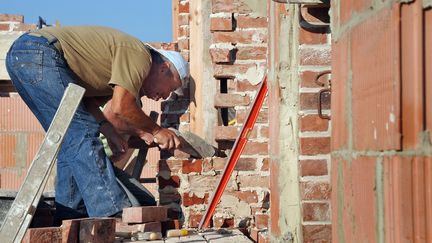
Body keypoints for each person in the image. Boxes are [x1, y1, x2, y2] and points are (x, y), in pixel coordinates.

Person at [5, 26, 189, 223]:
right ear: (164, 69)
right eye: (172, 88)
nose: (166, 96)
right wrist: (156, 130)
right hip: (38, 53)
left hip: (24, 57)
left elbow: (87, 102)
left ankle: (72, 217)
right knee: (80, 132)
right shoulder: (140, 55)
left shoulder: (113, 73)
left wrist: (108, 130)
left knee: (70, 137)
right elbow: (121, 106)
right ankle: (111, 210)